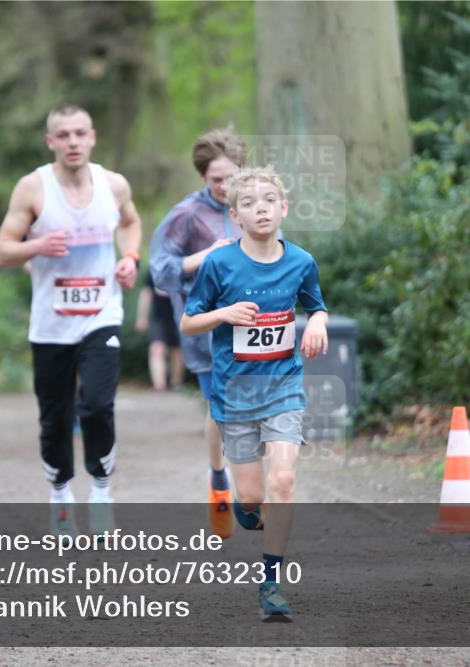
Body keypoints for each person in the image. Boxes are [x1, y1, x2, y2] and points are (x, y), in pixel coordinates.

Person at [180, 165, 328, 622]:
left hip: (283, 386)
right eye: (249, 203)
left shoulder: (301, 261)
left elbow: (315, 303)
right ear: (235, 216)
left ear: (283, 208)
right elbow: (189, 321)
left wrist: (318, 322)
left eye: (269, 200)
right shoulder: (220, 263)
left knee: (282, 481)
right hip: (235, 394)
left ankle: (271, 582)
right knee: (252, 496)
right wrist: (224, 313)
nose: (260, 208)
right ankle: (246, 509)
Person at [0, 105, 141, 538]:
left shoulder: (113, 184)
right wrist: (36, 247)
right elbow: (3, 251)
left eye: (79, 133)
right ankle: (60, 494)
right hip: (51, 323)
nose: (72, 142)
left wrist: (130, 258)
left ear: (92, 137)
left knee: (97, 405)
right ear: (50, 142)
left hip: (101, 314)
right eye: (63, 135)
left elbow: (131, 224)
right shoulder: (32, 188)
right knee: (54, 417)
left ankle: (100, 492)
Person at [149, 126, 246, 538]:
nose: (224, 187)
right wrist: (202, 258)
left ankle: (254, 486)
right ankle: (219, 477)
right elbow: (159, 270)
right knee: (220, 408)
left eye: (231, 177)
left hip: (253, 324)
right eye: (216, 180)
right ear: (203, 177)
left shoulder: (256, 204)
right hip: (205, 329)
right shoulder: (186, 214)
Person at [135, 270, 184, 392]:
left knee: (177, 352)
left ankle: (176, 383)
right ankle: (159, 385)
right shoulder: (153, 270)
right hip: (159, 318)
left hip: (180, 317)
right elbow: (146, 294)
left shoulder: (183, 267)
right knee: (156, 349)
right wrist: (142, 318)